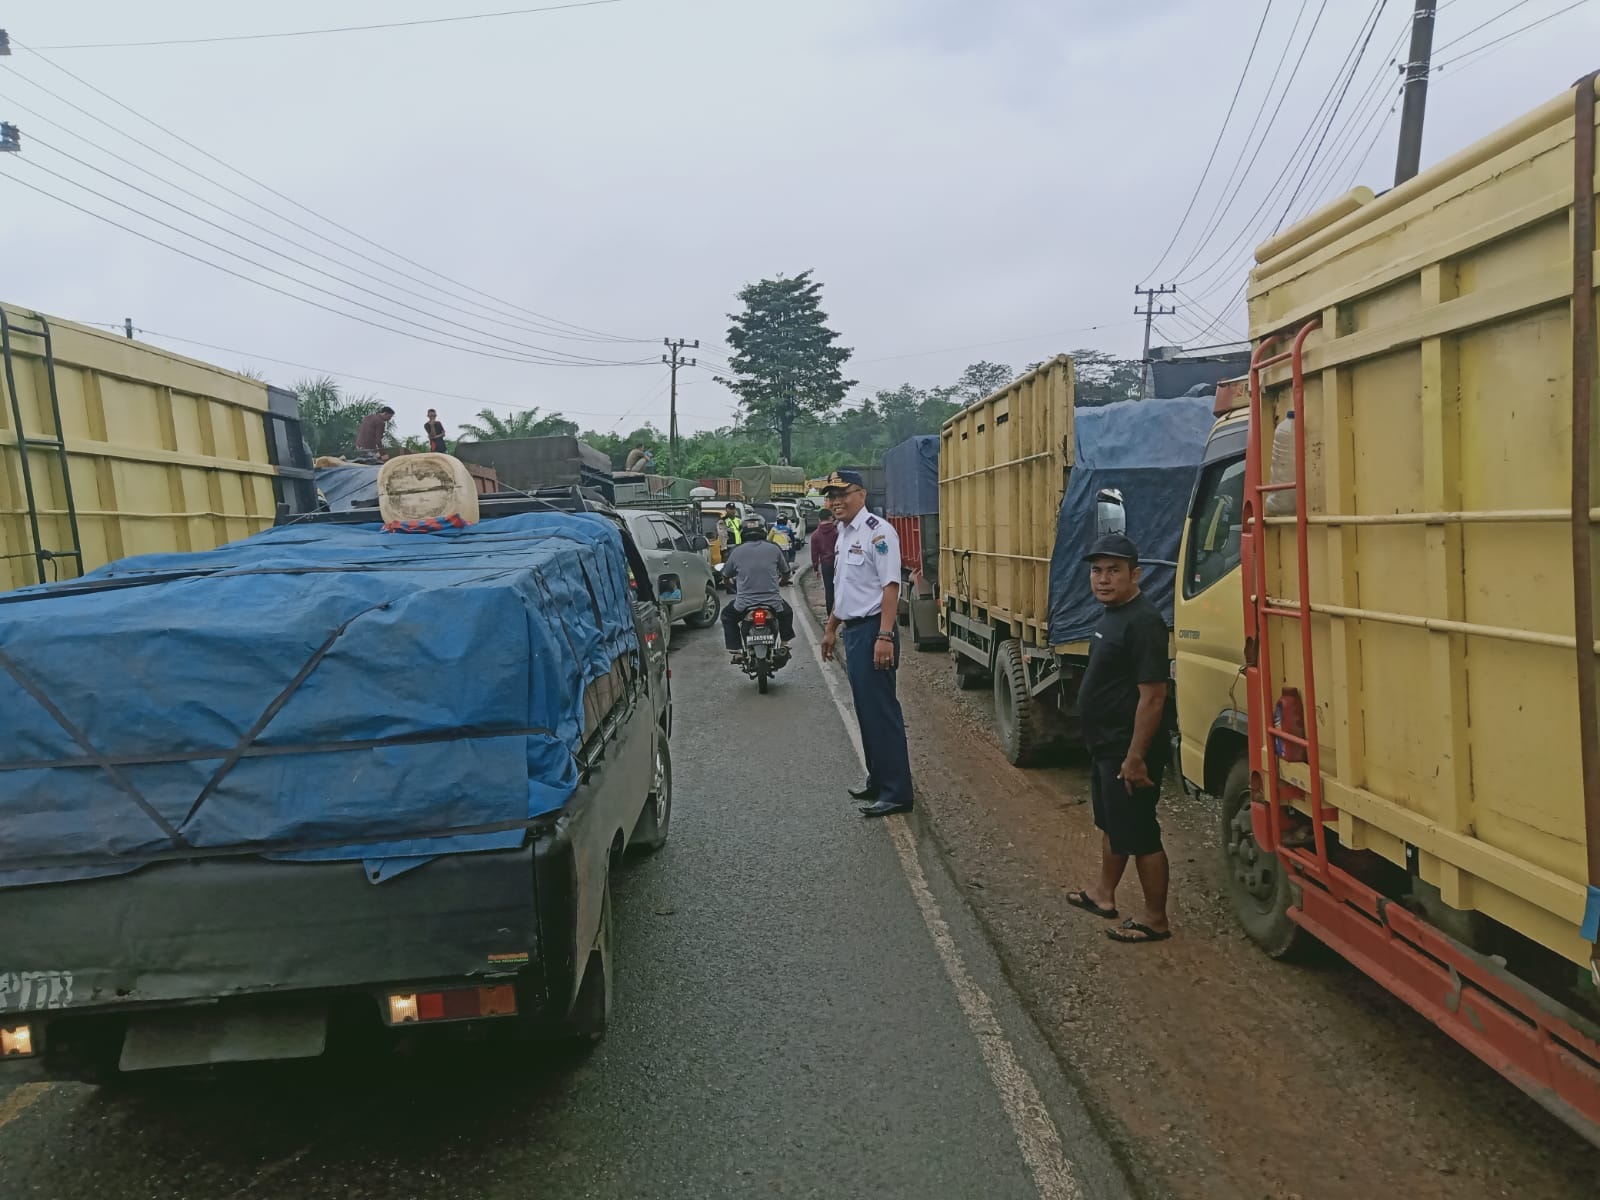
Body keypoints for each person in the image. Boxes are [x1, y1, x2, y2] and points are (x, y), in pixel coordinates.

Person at [1066, 533, 1173, 944]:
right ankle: (1103, 894)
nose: (1103, 579)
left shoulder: (1144, 621)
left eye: (1114, 571)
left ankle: (1154, 920)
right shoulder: (1111, 614)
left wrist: (1136, 757)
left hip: (1129, 750)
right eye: (1097, 571)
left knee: (1141, 833)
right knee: (1112, 822)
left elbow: (1153, 696)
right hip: (1107, 745)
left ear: (1135, 574)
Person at [819, 470, 914, 819]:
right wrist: (831, 628)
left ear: (861, 494)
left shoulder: (878, 532)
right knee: (866, 711)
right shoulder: (844, 533)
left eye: (842, 494)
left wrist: (885, 636)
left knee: (882, 712)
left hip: (875, 630)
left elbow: (891, 586)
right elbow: (845, 590)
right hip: (855, 631)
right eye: (830, 496)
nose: (835, 502)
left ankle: (897, 792)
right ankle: (879, 779)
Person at [719, 516, 794, 662]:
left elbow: (725, 577)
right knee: (787, 613)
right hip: (773, 602)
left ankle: (737, 650)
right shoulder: (774, 548)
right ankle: (785, 644)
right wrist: (781, 582)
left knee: (727, 616)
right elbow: (786, 572)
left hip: (744, 603)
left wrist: (731, 586)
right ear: (764, 530)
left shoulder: (736, 551)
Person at [810, 508, 839, 614]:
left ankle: (830, 615)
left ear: (819, 519)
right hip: (838, 564)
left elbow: (814, 553)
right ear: (830, 518)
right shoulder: (837, 531)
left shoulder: (815, 535)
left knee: (829, 590)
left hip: (826, 565)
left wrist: (816, 568)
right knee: (840, 589)